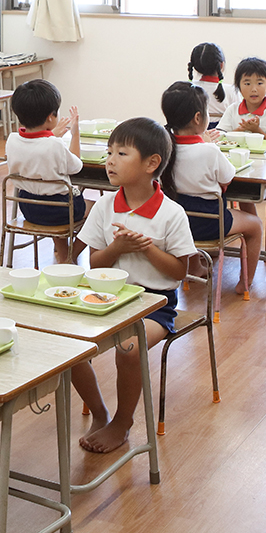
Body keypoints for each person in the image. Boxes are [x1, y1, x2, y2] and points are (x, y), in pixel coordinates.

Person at [73, 117, 196, 453]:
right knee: (67, 343)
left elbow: (180, 271)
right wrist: (118, 248)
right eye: (109, 151)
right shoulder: (103, 205)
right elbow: (95, 262)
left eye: (121, 153)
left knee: (129, 349)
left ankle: (122, 422)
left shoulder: (171, 213)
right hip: (106, 296)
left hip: (155, 304)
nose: (110, 160)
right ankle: (100, 412)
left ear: (151, 164)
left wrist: (147, 248)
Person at [161, 81, 263, 299]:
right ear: (198, 118)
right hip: (209, 222)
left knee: (187, 210)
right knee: (254, 226)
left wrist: (202, 141)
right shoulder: (209, 151)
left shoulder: (164, 148)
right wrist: (210, 145)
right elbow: (228, 176)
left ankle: (195, 267)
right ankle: (245, 283)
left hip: (175, 224)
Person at [4, 78, 86, 264]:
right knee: (99, 209)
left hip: (28, 207)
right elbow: (77, 166)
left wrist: (50, 135)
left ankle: (63, 253)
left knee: (56, 200)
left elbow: (35, 144)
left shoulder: (12, 140)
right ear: (51, 117)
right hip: (59, 210)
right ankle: (72, 255)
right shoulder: (54, 145)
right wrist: (75, 134)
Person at [227, 56, 266, 137]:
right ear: (239, 87)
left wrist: (256, 130)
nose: (254, 89)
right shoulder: (232, 110)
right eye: (247, 84)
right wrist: (240, 129)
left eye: (259, 83)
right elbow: (221, 136)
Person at [187, 42, 229, 129]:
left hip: (194, 131)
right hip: (223, 134)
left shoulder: (188, 88)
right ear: (221, 65)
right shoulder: (232, 90)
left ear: (194, 67)